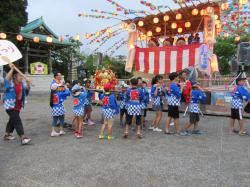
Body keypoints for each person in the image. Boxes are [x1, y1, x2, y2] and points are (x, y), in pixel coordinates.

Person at [3, 64, 32, 145]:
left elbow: (26, 91)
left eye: (22, 76)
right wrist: (12, 69)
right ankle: (23, 137)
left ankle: (7, 135)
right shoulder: (10, 83)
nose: (22, 77)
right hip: (10, 106)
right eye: (20, 76)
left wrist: (28, 84)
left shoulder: (21, 84)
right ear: (15, 76)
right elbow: (6, 79)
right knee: (17, 121)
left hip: (18, 106)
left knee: (12, 120)